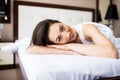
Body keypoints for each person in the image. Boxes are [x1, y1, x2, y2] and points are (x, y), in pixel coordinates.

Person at [27, 19, 120, 59]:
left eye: (62, 28)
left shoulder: (87, 29)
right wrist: (66, 51)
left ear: (60, 22)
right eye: (59, 38)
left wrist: (69, 46)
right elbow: (32, 49)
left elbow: (112, 53)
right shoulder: (61, 45)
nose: (67, 35)